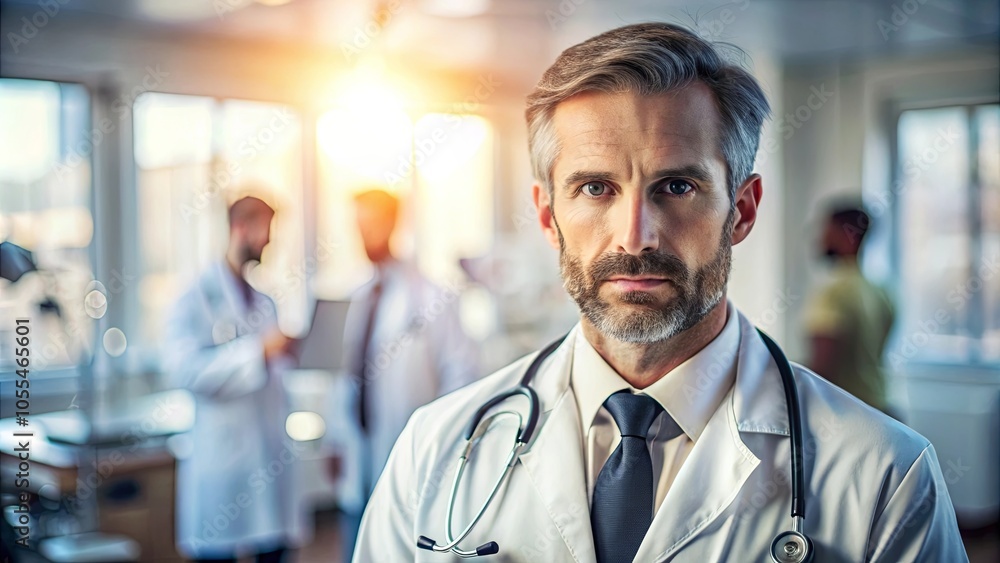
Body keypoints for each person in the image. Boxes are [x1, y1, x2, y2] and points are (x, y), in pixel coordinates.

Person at [353, 23, 966, 562]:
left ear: (742, 211)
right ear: (547, 217)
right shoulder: (435, 447)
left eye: (675, 187)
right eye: (595, 188)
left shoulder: (884, 474)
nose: (634, 237)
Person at [327, 188, 479, 560]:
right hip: (358, 448)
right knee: (358, 545)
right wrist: (334, 438)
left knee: (401, 548)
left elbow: (462, 376)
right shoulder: (356, 295)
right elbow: (342, 375)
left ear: (393, 224)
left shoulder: (432, 296)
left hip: (414, 453)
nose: (365, 236)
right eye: (359, 226)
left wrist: (439, 445)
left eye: (373, 225)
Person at [163, 196, 305, 563]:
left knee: (272, 547)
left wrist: (285, 353)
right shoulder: (193, 297)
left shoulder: (265, 303)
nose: (269, 242)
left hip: (267, 460)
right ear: (241, 228)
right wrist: (258, 351)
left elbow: (273, 381)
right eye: (266, 231)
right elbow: (185, 370)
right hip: (222, 462)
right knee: (219, 552)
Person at [805, 205, 896, 414]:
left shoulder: (833, 292)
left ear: (849, 237)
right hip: (883, 408)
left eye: (828, 231)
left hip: (851, 416)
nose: (821, 239)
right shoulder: (881, 292)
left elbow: (822, 369)